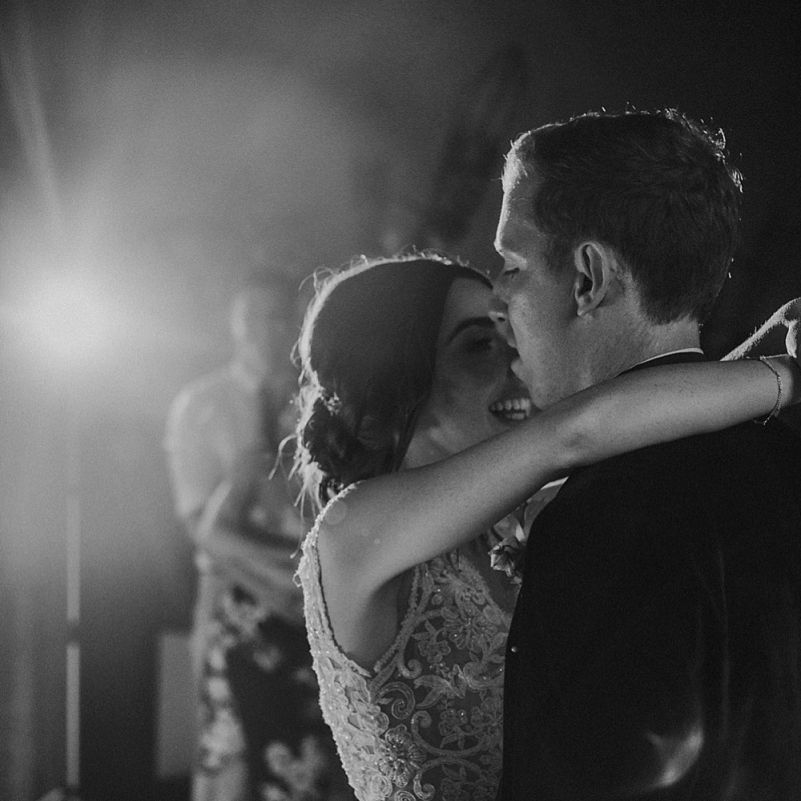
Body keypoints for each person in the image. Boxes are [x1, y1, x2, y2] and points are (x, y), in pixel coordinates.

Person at [292, 252, 801, 801]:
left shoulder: (522, 515)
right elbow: (576, 433)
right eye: (478, 345)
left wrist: (773, 337)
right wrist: (791, 374)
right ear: (386, 392)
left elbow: (647, 427)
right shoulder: (350, 538)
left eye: (509, 333)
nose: (515, 360)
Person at [492, 108, 801, 800]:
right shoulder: (786, 463)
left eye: (511, 264)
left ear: (588, 278)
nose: (498, 295)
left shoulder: (600, 516)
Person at [164, 273, 298, 801]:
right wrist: (282, 579)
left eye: (277, 317)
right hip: (231, 599)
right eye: (252, 318)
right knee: (231, 763)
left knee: (302, 760)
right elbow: (201, 528)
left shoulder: (319, 399)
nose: (265, 330)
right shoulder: (202, 404)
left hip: (309, 601)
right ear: (233, 324)